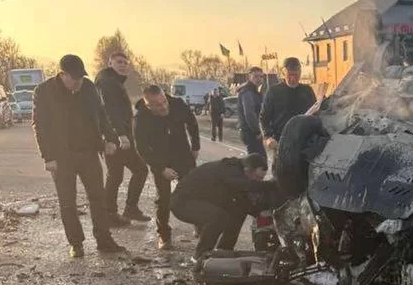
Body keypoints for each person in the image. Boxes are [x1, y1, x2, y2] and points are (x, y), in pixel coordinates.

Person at [32, 55, 127, 259]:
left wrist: (110, 138)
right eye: (74, 78)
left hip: (89, 152)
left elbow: (101, 114)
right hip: (61, 156)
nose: (78, 82)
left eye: (81, 78)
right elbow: (40, 126)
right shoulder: (44, 91)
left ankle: (104, 240)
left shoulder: (89, 88)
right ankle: (76, 243)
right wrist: (48, 157)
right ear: (62, 74)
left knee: (98, 197)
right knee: (68, 201)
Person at [171, 154, 280, 258]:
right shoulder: (229, 170)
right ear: (247, 170)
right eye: (257, 177)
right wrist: (272, 185)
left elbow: (242, 201)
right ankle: (200, 255)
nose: (259, 181)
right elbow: (243, 185)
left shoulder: (237, 171)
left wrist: (258, 212)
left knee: (238, 211)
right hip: (182, 203)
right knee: (218, 217)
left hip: (199, 201)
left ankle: (224, 250)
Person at [133, 84, 200, 250]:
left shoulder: (177, 104)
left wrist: (195, 146)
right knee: (163, 199)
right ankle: (164, 234)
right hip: (160, 159)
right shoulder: (141, 117)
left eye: (164, 101)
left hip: (183, 154)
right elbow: (142, 148)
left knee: (194, 192)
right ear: (148, 105)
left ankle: (199, 223)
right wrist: (160, 168)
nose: (163, 106)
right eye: (157, 105)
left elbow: (192, 123)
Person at [95, 50, 150, 225]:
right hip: (116, 138)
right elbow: (110, 111)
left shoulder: (112, 81)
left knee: (118, 175)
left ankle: (116, 212)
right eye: (119, 62)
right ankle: (116, 212)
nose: (123, 65)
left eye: (125, 63)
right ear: (110, 63)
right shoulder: (108, 83)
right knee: (136, 171)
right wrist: (120, 134)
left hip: (114, 136)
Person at [259, 57, 316, 169]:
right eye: (290, 75)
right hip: (281, 142)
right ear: (283, 73)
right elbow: (264, 117)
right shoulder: (274, 92)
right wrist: (268, 137)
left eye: (296, 75)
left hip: (304, 142)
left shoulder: (307, 91)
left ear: (300, 73)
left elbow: (315, 114)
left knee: (303, 174)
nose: (293, 78)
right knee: (282, 174)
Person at [237, 67, 265, 157]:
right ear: (249, 77)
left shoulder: (255, 92)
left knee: (256, 160)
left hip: (250, 131)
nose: (259, 79)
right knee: (258, 160)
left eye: (261, 76)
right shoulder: (247, 92)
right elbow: (249, 114)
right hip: (249, 132)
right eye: (255, 76)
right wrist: (257, 131)